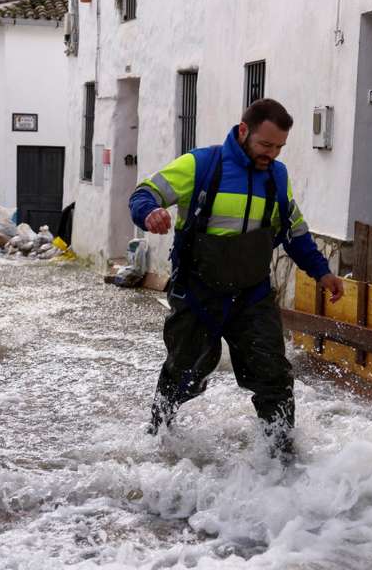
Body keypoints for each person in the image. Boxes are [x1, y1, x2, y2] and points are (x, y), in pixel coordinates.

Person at [129, 99, 345, 460]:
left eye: (278, 147)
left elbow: (294, 232)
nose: (271, 154)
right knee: (185, 373)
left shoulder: (276, 177)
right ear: (244, 131)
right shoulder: (201, 165)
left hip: (252, 294)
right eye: (265, 144)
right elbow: (144, 194)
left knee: (273, 376)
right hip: (198, 293)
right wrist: (150, 212)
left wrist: (322, 272)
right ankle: (159, 435)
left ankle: (280, 458)